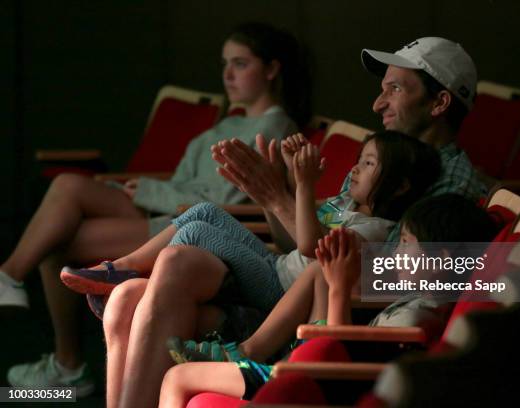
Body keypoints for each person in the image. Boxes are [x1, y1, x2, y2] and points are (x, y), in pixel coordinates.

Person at [2, 21, 309, 395]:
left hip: (191, 222)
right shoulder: (227, 123)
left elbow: (222, 198)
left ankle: (67, 362)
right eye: (224, 63)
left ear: (272, 70)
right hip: (168, 210)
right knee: (66, 189)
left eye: (240, 64)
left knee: (55, 240)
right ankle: (18, 287)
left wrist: (146, 190)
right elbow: (184, 182)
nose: (227, 74)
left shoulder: (274, 127)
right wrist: (133, 188)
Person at [72, 130, 438, 408]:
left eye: (370, 163)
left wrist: (302, 185)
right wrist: (272, 190)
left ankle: (126, 268)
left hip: (278, 294)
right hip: (277, 267)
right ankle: (123, 270)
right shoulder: (345, 209)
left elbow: (312, 247)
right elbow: (290, 241)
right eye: (360, 158)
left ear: (401, 185)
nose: (355, 168)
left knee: (196, 231)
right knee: (202, 214)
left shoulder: (375, 232)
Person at [157, 194, 497, 406]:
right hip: (312, 365)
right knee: (321, 270)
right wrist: (333, 277)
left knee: (178, 378)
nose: (397, 251)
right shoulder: (426, 300)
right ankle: (247, 351)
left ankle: (248, 355)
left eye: (408, 244)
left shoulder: (416, 320)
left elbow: (339, 361)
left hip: (313, 384)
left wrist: (339, 288)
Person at [213, 36, 487, 252]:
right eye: (383, 90)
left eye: (396, 89)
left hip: (336, 314)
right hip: (295, 285)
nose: (377, 104)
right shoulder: (384, 158)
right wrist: (271, 198)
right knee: (200, 227)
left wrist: (278, 199)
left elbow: (378, 278)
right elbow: (295, 246)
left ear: (439, 102)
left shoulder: (453, 187)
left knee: (191, 250)